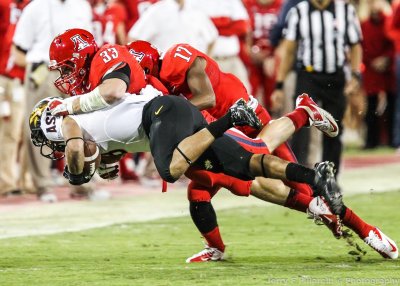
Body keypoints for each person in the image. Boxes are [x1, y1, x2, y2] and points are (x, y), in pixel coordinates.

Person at [45, 29, 398, 261]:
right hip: (208, 130)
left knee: (270, 172)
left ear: (145, 61)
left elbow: (205, 96)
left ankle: (305, 118)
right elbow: (138, 121)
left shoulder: (173, 60)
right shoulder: (150, 87)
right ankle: (217, 247)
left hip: (237, 113)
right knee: (207, 189)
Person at [31, 94, 398, 261]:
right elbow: (109, 138)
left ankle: (236, 116)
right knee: (256, 162)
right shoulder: (92, 114)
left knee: (174, 171)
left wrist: (76, 173)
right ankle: (355, 218)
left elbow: (79, 151)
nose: (54, 147)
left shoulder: (66, 117)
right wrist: (105, 162)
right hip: (177, 127)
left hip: (168, 118)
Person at [12, 0, 94, 202]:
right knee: (39, 127)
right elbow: (18, 49)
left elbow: (90, 43)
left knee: (82, 125)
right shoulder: (35, 7)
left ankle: (82, 184)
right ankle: (43, 186)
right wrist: (37, 69)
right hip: (44, 69)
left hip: (76, 70)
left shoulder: (82, 5)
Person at [271, 0, 363, 175]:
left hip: (336, 76)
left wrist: (355, 74)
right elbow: (289, 51)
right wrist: (279, 85)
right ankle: (300, 176)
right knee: (301, 126)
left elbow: (355, 44)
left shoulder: (345, 10)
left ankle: (330, 178)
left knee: (334, 129)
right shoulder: (299, 11)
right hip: (308, 75)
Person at [361, 0, 395, 149]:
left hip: (388, 71)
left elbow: (393, 44)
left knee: (392, 106)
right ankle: (371, 141)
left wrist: (386, 59)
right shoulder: (364, 25)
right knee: (371, 108)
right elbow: (361, 47)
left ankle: (391, 139)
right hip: (371, 71)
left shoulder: (388, 22)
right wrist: (371, 61)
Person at [127, 0, 218, 54]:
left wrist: (205, 62)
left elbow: (212, 37)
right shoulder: (157, 10)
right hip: (164, 70)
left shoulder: (196, 11)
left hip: (190, 70)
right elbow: (134, 37)